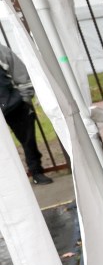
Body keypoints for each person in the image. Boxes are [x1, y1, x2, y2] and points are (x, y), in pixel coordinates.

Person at [0, 41, 51, 185]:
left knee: (29, 142)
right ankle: (8, 182)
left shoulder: (2, 52)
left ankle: (36, 173)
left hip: (16, 105)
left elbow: (20, 73)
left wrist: (25, 98)